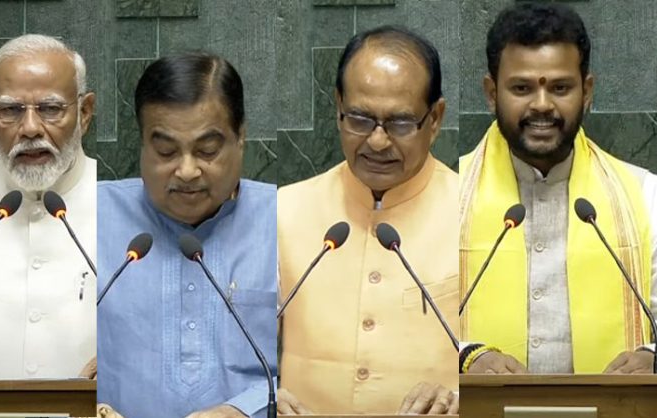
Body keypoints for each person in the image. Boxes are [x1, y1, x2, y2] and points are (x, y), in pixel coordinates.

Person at [459, 2, 657, 375]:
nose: (542, 105)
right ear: (491, 93)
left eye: (561, 88)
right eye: (521, 88)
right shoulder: (447, 195)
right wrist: (466, 355)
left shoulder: (645, 196)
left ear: (587, 91)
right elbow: (413, 327)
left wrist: (652, 356)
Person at [277, 26, 458, 414]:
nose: (377, 141)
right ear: (338, 106)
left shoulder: (476, 217)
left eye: (400, 123)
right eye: (359, 119)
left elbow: (507, 364)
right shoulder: (282, 212)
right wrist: (262, 398)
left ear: (436, 118)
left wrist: (463, 399)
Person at [96, 52, 277, 418]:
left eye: (207, 150)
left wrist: (243, 409)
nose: (188, 170)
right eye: (165, 151)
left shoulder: (287, 217)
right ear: (142, 144)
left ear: (241, 138)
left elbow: (320, 370)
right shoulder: (87, 216)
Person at [0, 34, 96, 379]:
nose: (30, 128)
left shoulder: (124, 207)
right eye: (10, 110)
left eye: (51, 109)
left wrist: (125, 364)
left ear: (84, 112)